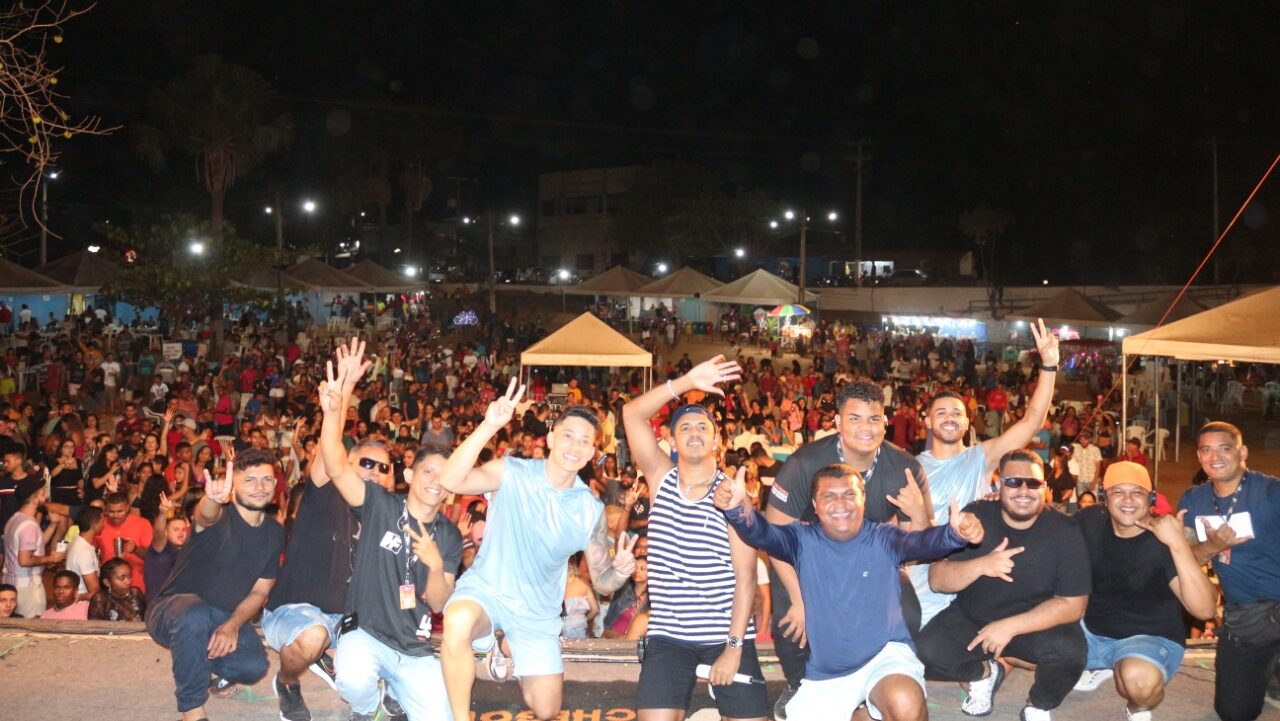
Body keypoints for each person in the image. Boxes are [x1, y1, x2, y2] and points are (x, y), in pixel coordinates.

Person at [716, 463, 986, 721]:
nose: (841, 504)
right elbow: (761, 532)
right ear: (815, 505)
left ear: (863, 498)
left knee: (903, 700)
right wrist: (738, 508)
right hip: (827, 674)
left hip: (885, 658)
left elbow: (923, 543)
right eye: (829, 496)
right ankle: (862, 716)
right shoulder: (801, 539)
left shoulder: (883, 537)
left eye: (849, 494)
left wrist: (955, 534)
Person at [437, 376, 636, 721]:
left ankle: (503, 646)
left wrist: (619, 571)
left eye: (585, 441)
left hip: (536, 614)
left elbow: (603, 583)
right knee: (457, 620)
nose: (575, 446)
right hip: (487, 591)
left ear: (593, 452)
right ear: (551, 438)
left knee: (546, 709)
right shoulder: (511, 472)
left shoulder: (589, 510)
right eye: (568, 435)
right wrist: (488, 426)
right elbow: (450, 480)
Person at [764, 379, 932, 717]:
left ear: (885, 422)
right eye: (855, 418)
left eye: (874, 419)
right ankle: (799, 682)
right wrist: (799, 599)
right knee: (793, 620)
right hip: (807, 560)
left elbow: (919, 548)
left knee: (909, 611)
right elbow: (775, 535)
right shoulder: (804, 462)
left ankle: (878, 678)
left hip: (867, 561)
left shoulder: (905, 468)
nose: (865, 428)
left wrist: (917, 515)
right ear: (838, 422)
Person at [317, 339, 464, 721]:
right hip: (364, 635)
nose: (435, 481)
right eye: (428, 471)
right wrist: (333, 412)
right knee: (353, 679)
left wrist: (435, 565)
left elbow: (438, 604)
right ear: (410, 475)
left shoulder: (449, 535)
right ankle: (368, 711)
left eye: (445, 476)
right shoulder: (380, 504)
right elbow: (336, 467)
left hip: (413, 649)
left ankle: (395, 694)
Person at [621, 355, 769, 721]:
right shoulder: (661, 479)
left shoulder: (732, 494)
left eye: (703, 427)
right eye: (684, 427)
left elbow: (746, 577)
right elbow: (632, 414)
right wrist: (686, 382)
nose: (694, 433)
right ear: (671, 440)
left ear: (717, 440)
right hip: (669, 637)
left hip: (725, 632)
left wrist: (733, 648)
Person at [915, 449, 1090, 721]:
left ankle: (1038, 704)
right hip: (973, 619)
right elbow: (937, 580)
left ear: (1044, 487)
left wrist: (1009, 626)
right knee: (928, 650)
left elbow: (1073, 605)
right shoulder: (975, 518)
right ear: (999, 484)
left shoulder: (1064, 531)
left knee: (1071, 653)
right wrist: (982, 565)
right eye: (1013, 482)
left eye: (1033, 483)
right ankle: (986, 673)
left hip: (1033, 625)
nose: (1023, 490)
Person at [910, 318, 1060, 628]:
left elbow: (1032, 422)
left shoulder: (981, 457)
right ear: (927, 421)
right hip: (923, 581)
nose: (950, 418)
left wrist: (1048, 366)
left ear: (967, 423)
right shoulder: (911, 467)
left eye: (957, 413)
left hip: (975, 578)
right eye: (941, 412)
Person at [145, 448, 284, 721]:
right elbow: (205, 515)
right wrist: (210, 499)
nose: (260, 487)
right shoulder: (219, 517)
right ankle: (192, 709)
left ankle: (199, 662)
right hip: (172, 611)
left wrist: (232, 625)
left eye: (267, 479)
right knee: (194, 614)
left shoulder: (274, 532)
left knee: (253, 666)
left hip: (220, 617)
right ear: (233, 485)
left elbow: (260, 591)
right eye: (250, 480)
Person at [1072, 461, 1217, 721]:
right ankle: (1106, 664)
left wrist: (1177, 543)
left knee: (1138, 682)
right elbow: (1045, 528)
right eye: (1118, 491)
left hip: (1149, 638)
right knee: (1029, 646)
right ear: (1104, 496)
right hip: (1093, 631)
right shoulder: (1090, 519)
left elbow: (1205, 609)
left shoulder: (1162, 538)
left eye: (1137, 492)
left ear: (1151, 498)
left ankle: (1136, 708)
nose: (1128, 500)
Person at [1179, 421, 1280, 721]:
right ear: (1199, 456)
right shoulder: (1193, 501)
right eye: (1206, 450)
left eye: (1224, 448)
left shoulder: (1271, 492)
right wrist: (1212, 546)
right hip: (1246, 614)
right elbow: (1186, 560)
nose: (1215, 457)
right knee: (1233, 712)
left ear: (1242, 452)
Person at [2, 478, 66, 617]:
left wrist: (53, 525)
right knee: (31, 627)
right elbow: (25, 560)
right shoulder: (29, 525)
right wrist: (51, 558)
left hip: (12, 585)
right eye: (42, 494)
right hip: (28, 590)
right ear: (34, 498)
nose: (46, 497)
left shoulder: (14, 519)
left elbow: (36, 544)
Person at [94, 491, 154, 595]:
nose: (115, 515)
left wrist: (135, 549)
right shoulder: (100, 524)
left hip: (137, 585)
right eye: (111, 512)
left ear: (127, 508)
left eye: (120, 511)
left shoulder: (142, 524)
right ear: (106, 509)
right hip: (109, 587)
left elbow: (152, 556)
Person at [88, 557, 147, 621]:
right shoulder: (100, 600)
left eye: (129, 576)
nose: (128, 581)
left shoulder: (135, 593)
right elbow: (94, 625)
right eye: (122, 578)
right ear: (107, 582)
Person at [67, 505, 104, 600]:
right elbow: (95, 592)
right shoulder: (84, 551)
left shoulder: (77, 542)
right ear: (94, 525)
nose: (104, 525)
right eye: (102, 522)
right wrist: (78, 597)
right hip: (83, 606)